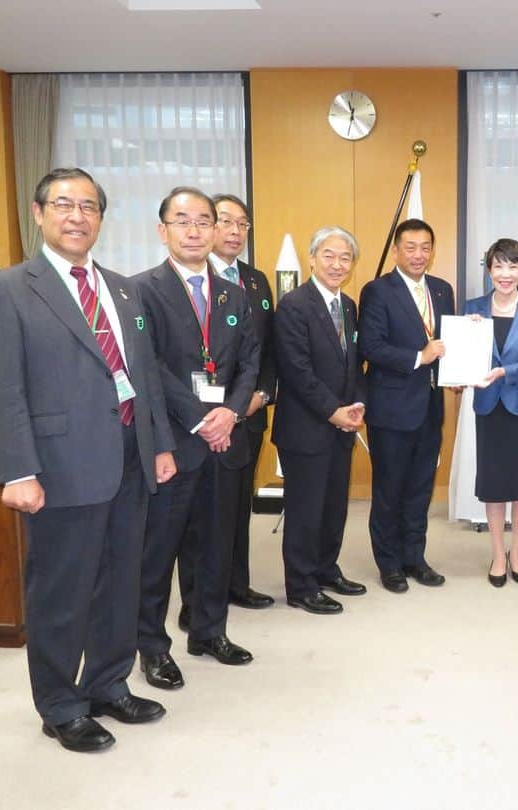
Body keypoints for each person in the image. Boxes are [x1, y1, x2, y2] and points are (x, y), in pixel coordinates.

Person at [0, 167, 175, 753]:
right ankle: (61, 704)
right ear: (38, 213)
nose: (77, 216)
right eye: (64, 204)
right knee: (63, 590)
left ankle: (109, 683)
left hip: (130, 458)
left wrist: (160, 443)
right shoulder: (10, 288)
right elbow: (2, 386)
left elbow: (144, 377)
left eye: (89, 207)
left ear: (101, 219)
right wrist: (17, 469)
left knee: (120, 583)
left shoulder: (122, 289)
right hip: (60, 466)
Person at [136, 186, 260, 690]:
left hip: (225, 440)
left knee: (215, 545)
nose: (195, 230)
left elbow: (250, 360)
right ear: (162, 229)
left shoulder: (234, 292)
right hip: (175, 441)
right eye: (182, 220)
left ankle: (209, 631)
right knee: (158, 554)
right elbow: (148, 365)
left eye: (204, 221)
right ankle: (152, 648)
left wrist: (230, 413)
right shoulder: (140, 289)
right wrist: (200, 418)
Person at [176, 193, 277, 632]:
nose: (235, 232)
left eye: (243, 225)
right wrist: (211, 415)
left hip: (246, 412)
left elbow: (266, 350)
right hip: (197, 420)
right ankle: (194, 599)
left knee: (237, 505)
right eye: (226, 222)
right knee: (195, 515)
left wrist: (260, 396)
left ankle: (236, 583)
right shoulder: (182, 281)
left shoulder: (255, 283)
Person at [271, 226, 368, 614]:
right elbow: (296, 370)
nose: (337, 264)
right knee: (305, 510)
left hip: (342, 425)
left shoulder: (348, 306)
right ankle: (300, 585)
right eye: (329, 255)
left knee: (333, 507)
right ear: (312, 258)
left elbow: (354, 364)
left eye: (345, 257)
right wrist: (334, 411)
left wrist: (357, 405)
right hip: (306, 427)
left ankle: (327, 569)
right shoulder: (294, 305)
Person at [358, 218, 455, 593]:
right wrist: (420, 356)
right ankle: (389, 564)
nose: (418, 254)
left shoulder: (443, 290)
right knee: (389, 489)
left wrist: (463, 356)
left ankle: (415, 557)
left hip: (430, 407)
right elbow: (372, 347)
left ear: (433, 251)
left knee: (420, 489)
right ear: (397, 250)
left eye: (425, 247)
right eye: (410, 247)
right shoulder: (378, 291)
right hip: (391, 409)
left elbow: (449, 343)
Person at [462, 238, 518, 586]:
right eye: (498, 266)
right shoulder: (473, 308)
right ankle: (498, 554)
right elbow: (462, 357)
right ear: (488, 270)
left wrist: (505, 372)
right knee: (495, 484)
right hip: (490, 407)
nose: (505, 273)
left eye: (512, 266)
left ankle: (517, 552)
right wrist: (466, 341)